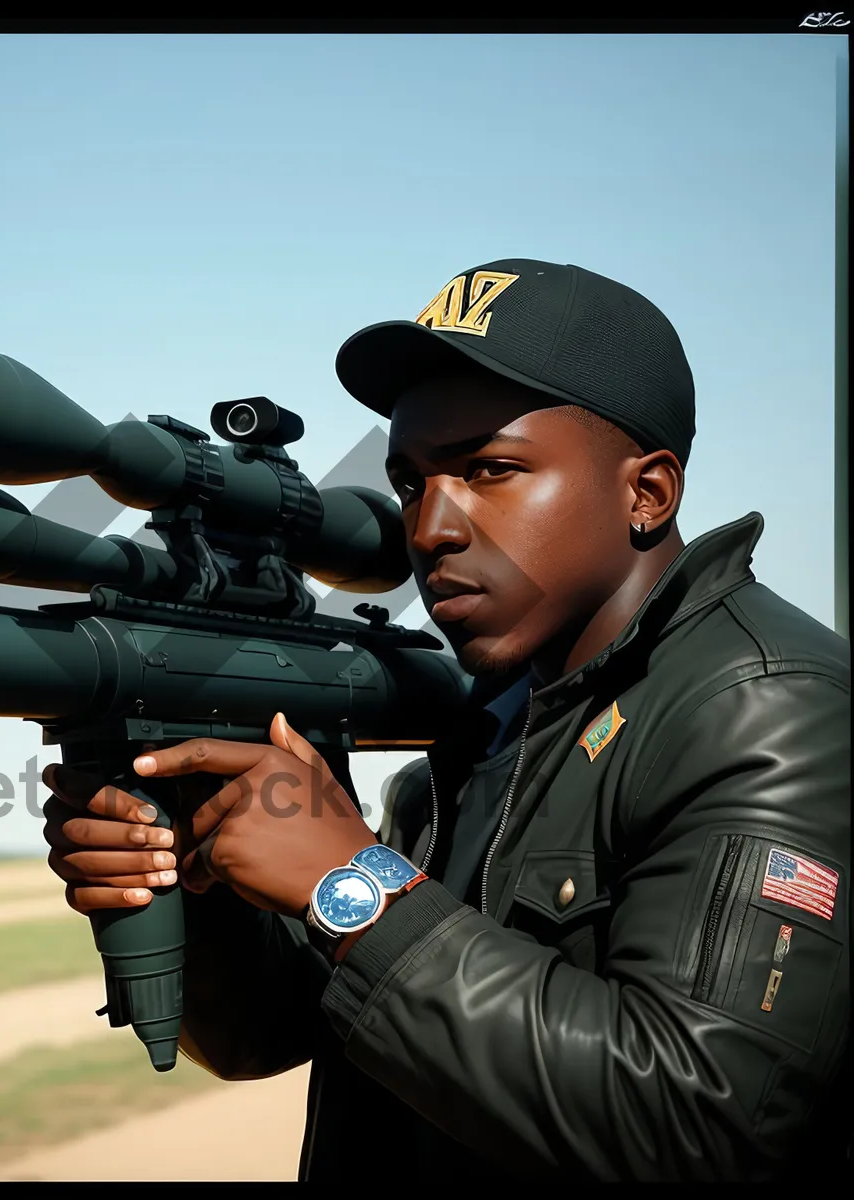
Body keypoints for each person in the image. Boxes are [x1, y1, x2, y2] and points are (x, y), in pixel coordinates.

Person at [42, 258, 850, 1181]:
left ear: (647, 493)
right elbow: (265, 1037)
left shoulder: (766, 706)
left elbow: (701, 1121)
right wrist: (202, 873)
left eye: (490, 470)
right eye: (412, 483)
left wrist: (352, 883)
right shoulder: (476, 742)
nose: (430, 530)